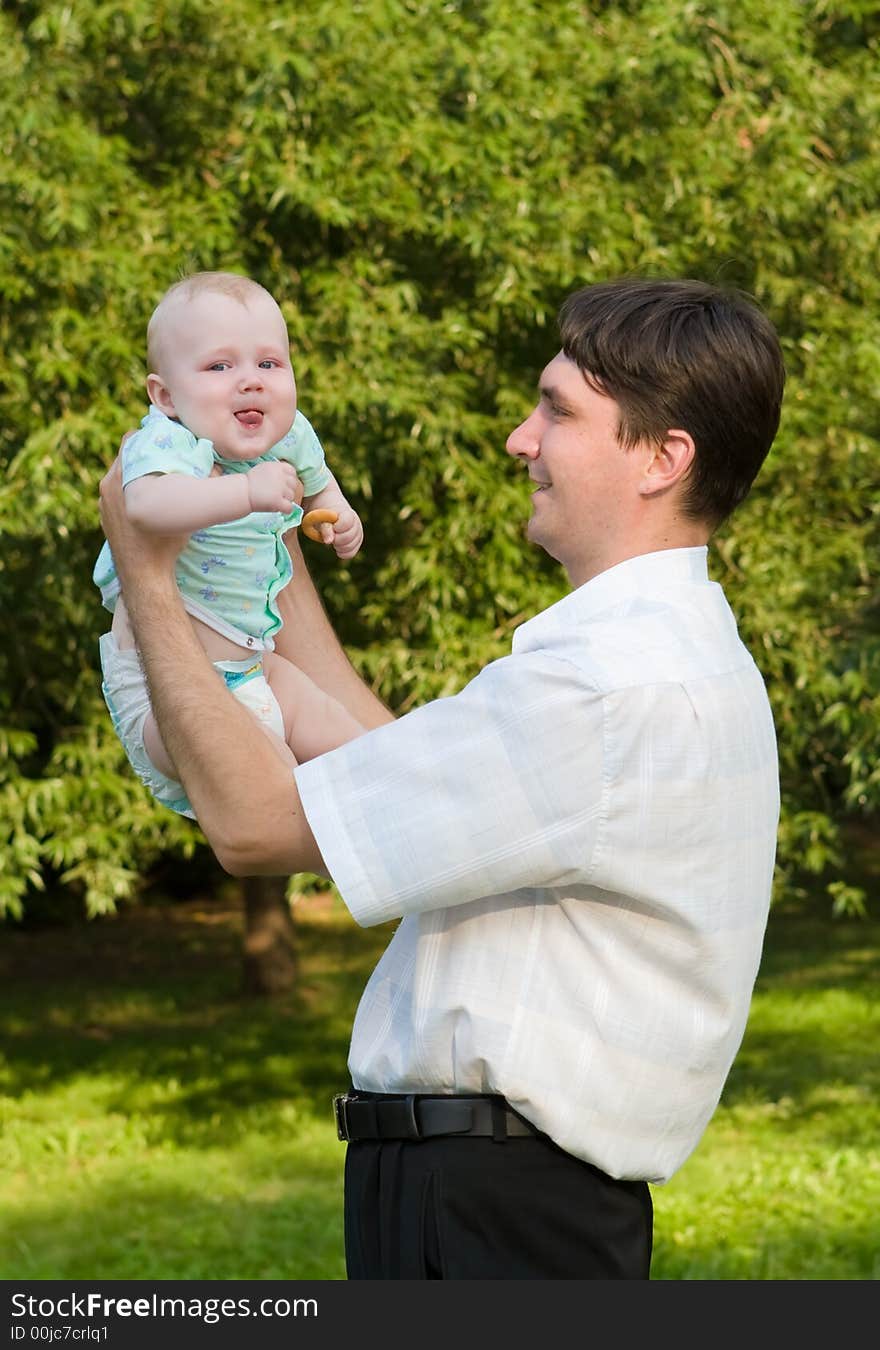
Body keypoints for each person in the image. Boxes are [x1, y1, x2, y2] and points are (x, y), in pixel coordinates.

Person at [98, 275, 785, 1280]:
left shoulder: (600, 690)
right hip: (495, 1200)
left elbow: (251, 825)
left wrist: (149, 576)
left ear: (659, 458)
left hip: (493, 1214)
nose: (520, 438)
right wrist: (254, 535)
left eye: (555, 410)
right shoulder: (655, 657)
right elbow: (380, 768)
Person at [93, 270, 365, 819]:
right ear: (166, 395)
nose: (251, 381)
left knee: (362, 753)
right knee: (281, 798)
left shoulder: (290, 435)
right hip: (162, 690)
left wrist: (337, 514)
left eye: (269, 363)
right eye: (220, 366)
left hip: (256, 667)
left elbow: (319, 483)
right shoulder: (170, 439)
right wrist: (241, 491)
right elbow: (142, 506)